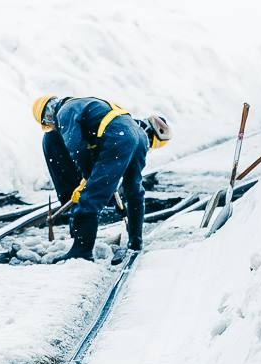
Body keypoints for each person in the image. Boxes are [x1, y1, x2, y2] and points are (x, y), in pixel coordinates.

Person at [31, 96, 171, 260]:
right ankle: (135, 240)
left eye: (48, 118)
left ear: (48, 115)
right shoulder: (83, 103)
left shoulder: (64, 112)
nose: (52, 121)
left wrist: (87, 180)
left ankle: (81, 252)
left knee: (89, 199)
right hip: (137, 136)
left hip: (118, 138)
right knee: (134, 191)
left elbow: (76, 149)